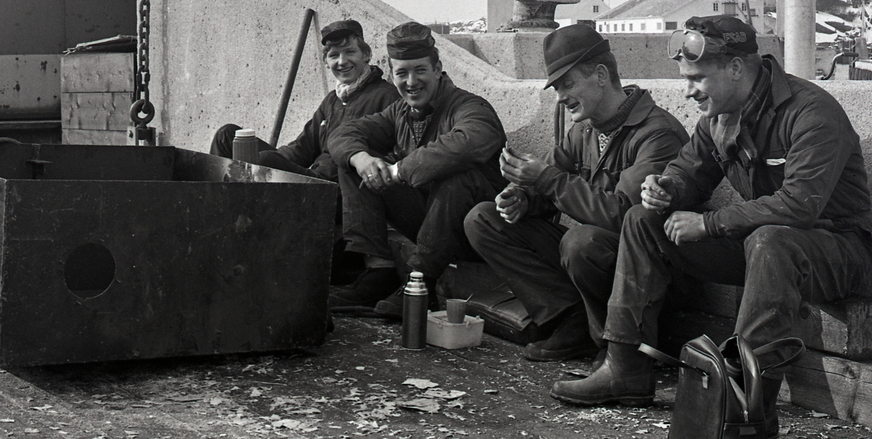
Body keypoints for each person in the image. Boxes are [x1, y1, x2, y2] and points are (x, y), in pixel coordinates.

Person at [552, 15, 872, 425]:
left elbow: (799, 206)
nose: (688, 91)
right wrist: (666, 187)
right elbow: (689, 172)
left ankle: (747, 409)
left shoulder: (810, 111)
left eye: (697, 79)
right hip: (760, 245)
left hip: (836, 249)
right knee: (642, 219)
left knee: (772, 241)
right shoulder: (719, 115)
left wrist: (707, 225)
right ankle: (625, 368)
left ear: (737, 68)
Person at [464, 23, 688, 363]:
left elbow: (625, 216)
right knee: (483, 219)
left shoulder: (657, 133)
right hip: (597, 265)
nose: (561, 97)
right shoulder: (585, 128)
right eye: (557, 87)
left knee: (582, 242)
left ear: (600, 75)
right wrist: (521, 198)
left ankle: (616, 346)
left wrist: (546, 180)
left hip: (649, 282)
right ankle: (570, 318)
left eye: (567, 84)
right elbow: (549, 181)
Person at [327, 21, 507, 315]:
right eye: (402, 73)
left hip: (477, 232)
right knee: (355, 162)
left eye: (420, 70)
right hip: (430, 224)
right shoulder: (400, 111)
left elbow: (470, 141)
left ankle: (420, 283)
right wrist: (362, 160)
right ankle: (379, 272)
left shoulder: (470, 107)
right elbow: (343, 135)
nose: (411, 82)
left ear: (437, 69)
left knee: (457, 176)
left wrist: (397, 171)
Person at [210, 19, 398, 180]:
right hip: (311, 177)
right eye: (334, 55)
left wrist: (264, 161)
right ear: (326, 62)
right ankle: (216, 203)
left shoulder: (386, 95)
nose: (342, 62)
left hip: (337, 188)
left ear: (366, 55)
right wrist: (269, 159)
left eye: (350, 52)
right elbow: (301, 150)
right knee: (227, 135)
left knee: (265, 162)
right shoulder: (332, 100)